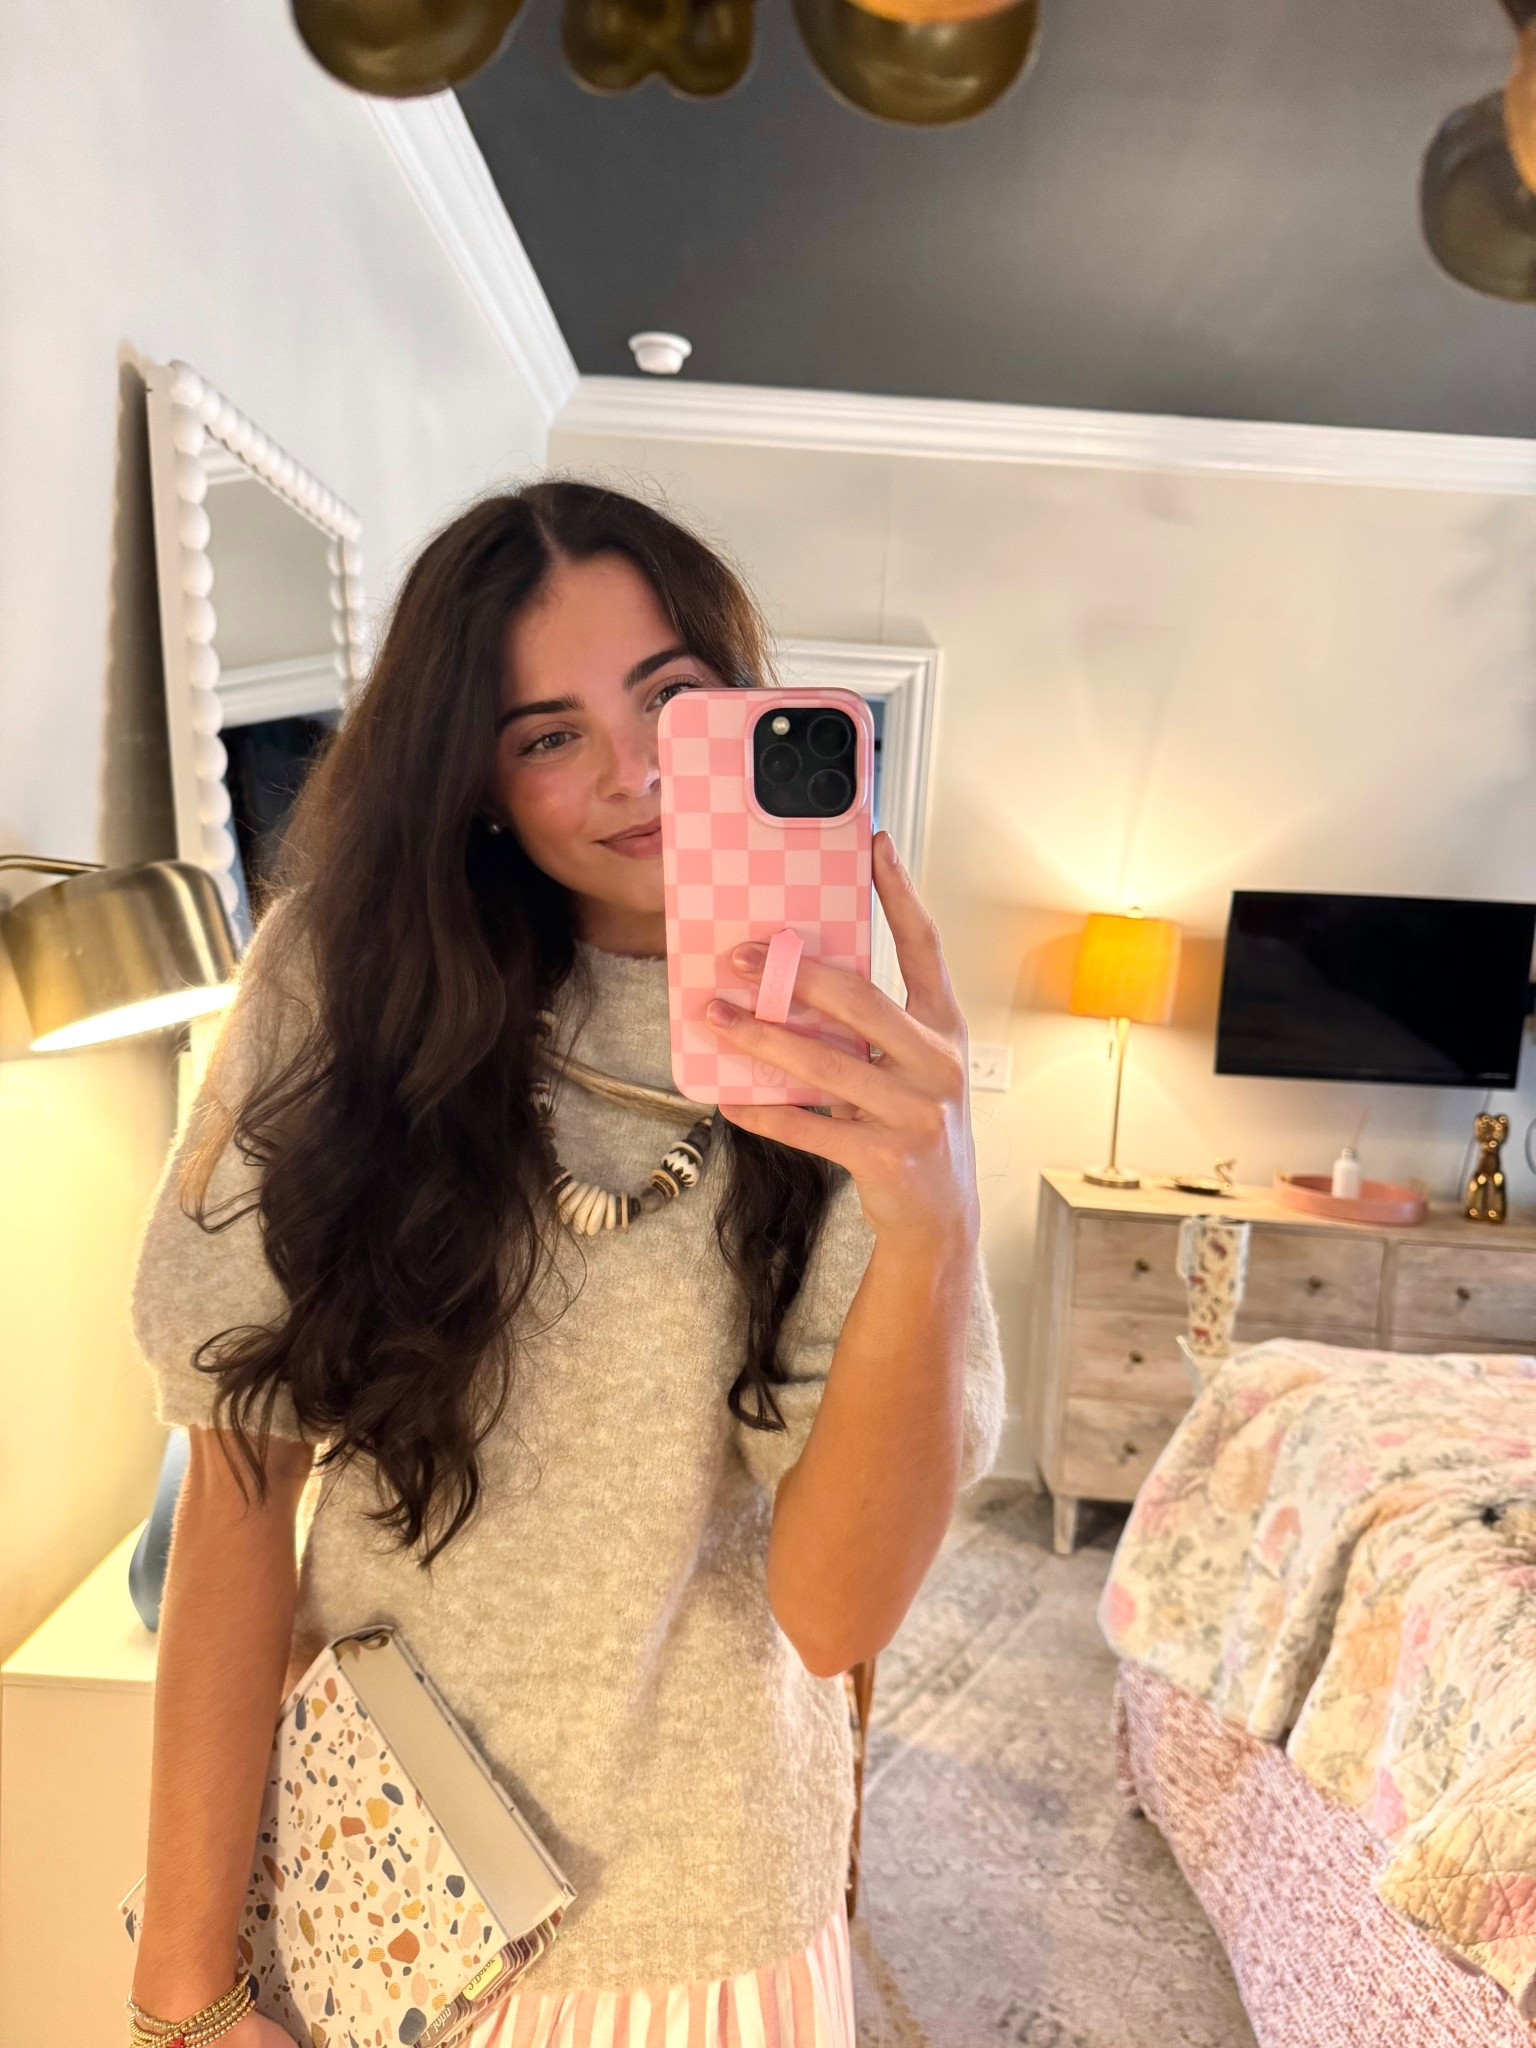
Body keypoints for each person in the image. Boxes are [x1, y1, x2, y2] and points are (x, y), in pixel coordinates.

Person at [127, 480, 1006, 2048]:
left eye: (669, 700)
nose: (634, 774)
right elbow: (238, 1482)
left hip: (712, 1923)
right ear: (475, 778)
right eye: (548, 735)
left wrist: (930, 1221)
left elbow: (834, 1615)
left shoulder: (851, 1052)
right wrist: (180, 1988)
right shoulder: (340, 991)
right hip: (387, 1885)